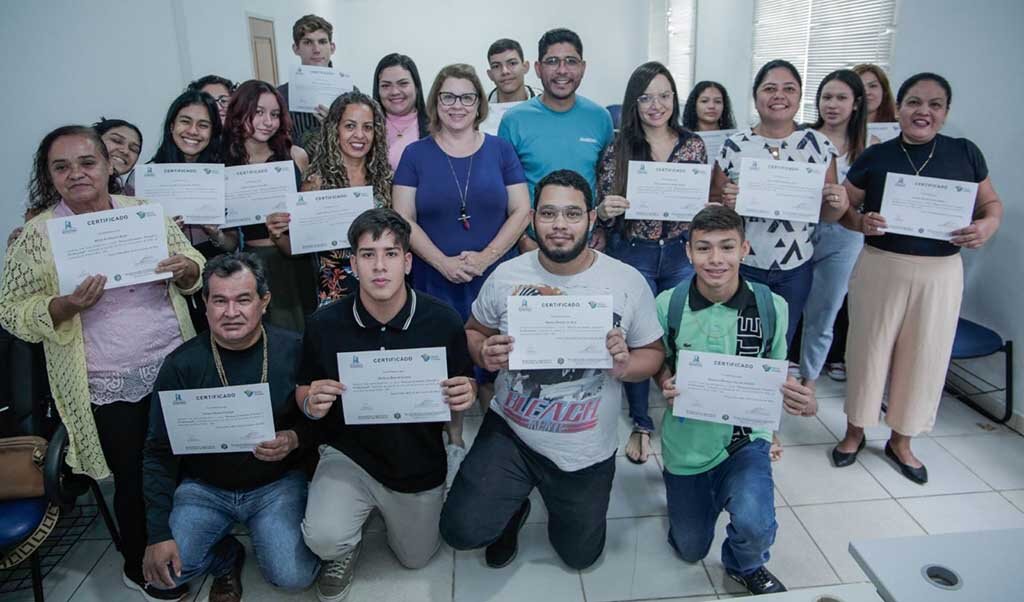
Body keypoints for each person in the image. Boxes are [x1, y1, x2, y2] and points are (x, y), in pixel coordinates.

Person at [0, 125, 204, 599]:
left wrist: (189, 269)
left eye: (87, 162)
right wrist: (64, 306)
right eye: (61, 167)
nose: (76, 174)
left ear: (110, 165)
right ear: (49, 177)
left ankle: (195, 542)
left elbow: (191, 262)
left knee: (191, 461)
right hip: (106, 379)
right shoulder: (35, 236)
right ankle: (143, 564)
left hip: (175, 365)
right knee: (133, 477)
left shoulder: (146, 213)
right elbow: (10, 310)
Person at [440, 169, 665, 570]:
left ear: (592, 219)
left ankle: (551, 499)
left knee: (580, 556)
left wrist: (627, 364)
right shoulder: (508, 275)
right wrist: (484, 354)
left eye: (572, 214)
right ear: (532, 220)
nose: (560, 225)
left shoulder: (626, 281)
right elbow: (473, 332)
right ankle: (511, 511)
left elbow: (653, 353)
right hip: (513, 430)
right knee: (462, 530)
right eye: (548, 213)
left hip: (584, 448)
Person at [296, 209, 476, 602]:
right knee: (323, 538)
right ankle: (345, 543)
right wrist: (311, 402)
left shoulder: (442, 320)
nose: (380, 266)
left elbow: (464, 384)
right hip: (349, 453)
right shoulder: (323, 324)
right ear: (353, 264)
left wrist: (466, 400)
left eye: (391, 254)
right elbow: (303, 387)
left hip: (416, 455)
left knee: (416, 558)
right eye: (367, 254)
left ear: (408, 262)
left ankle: (416, 496)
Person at [832, 73, 1003, 482]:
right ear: (900, 107)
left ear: (945, 113)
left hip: (941, 273)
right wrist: (861, 222)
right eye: (913, 102)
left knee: (924, 355)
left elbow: (991, 204)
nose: (923, 111)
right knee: (867, 350)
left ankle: (902, 440)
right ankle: (855, 431)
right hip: (881, 264)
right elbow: (842, 207)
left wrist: (987, 226)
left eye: (934, 104)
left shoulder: (965, 154)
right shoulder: (877, 155)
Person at [655, 204, 815, 595]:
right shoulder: (668, 305)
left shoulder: (770, 307)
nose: (716, 259)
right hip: (687, 443)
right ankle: (694, 505)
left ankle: (745, 564)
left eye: (727, 247)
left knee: (755, 523)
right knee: (689, 547)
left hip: (744, 439)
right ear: (688, 253)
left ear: (745, 249)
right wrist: (665, 382)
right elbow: (658, 363)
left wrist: (799, 402)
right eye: (704, 248)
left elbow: (775, 372)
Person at [142, 253, 319, 602]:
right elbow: (157, 452)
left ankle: (267, 532)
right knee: (164, 579)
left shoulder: (295, 349)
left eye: (243, 299)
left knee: (293, 576)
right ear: (204, 303)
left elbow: (328, 424)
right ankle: (225, 556)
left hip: (277, 483)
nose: (231, 312)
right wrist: (157, 533)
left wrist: (295, 438)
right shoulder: (181, 365)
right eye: (219, 300)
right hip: (204, 488)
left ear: (264, 302)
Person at [393, 63, 530, 483]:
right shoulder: (416, 154)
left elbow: (521, 210)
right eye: (448, 96)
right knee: (448, 367)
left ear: (479, 103)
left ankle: (501, 446)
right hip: (436, 280)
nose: (457, 105)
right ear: (436, 102)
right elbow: (403, 218)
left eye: (467, 97)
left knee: (497, 364)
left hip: (494, 279)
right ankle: (453, 444)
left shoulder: (500, 150)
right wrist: (443, 262)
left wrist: (487, 257)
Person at [592, 61, 707, 464]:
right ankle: (642, 422)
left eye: (664, 95)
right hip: (633, 252)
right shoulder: (618, 147)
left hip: (679, 252)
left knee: (682, 334)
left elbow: (699, 204)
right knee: (639, 339)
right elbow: (603, 211)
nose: (656, 105)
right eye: (645, 97)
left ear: (674, 99)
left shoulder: (693, 144)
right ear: (633, 102)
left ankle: (688, 411)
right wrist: (603, 209)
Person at [711, 59, 848, 354]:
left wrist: (838, 202)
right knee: (738, 342)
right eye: (769, 88)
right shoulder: (734, 145)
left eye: (789, 89)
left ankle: (768, 399)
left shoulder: (818, 145)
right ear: (756, 95)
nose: (779, 96)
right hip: (744, 263)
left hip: (795, 266)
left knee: (780, 343)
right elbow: (714, 207)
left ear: (800, 97)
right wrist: (727, 202)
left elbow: (827, 215)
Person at [265, 90, 393, 306]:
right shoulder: (315, 183)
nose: (360, 135)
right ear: (335, 129)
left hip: (382, 287)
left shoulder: (386, 180)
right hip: (335, 296)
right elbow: (297, 249)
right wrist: (277, 235)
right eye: (350, 126)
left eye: (368, 127)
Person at [498, 28, 614, 250]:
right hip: (532, 243)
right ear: (539, 68)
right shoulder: (514, 120)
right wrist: (522, 239)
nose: (562, 70)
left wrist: (600, 227)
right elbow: (503, 188)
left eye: (571, 61)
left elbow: (605, 179)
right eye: (552, 61)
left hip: (585, 243)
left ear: (583, 68)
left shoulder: (600, 118)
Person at [222, 79, 315, 333]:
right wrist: (214, 231)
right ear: (241, 111)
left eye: (274, 114)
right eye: (259, 112)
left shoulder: (296, 155)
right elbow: (229, 241)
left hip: (297, 260)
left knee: (307, 334)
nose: (268, 121)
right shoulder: (224, 163)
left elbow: (308, 218)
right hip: (255, 263)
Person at [797, 70, 868, 388]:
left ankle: (809, 379)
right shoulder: (800, 139)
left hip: (844, 238)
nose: (833, 105)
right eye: (827, 97)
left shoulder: (871, 147)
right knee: (787, 306)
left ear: (856, 104)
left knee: (824, 312)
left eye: (841, 98)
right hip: (799, 232)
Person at [278, 14, 336, 148]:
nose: (316, 50)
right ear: (296, 49)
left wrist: (336, 124)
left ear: (332, 47)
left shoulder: (350, 93)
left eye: (322, 42)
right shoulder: (279, 96)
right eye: (308, 42)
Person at [373, 53, 430, 170]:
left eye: (403, 84)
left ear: (416, 87)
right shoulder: (367, 127)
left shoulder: (437, 127)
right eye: (386, 85)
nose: (394, 92)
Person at [94, 117, 143, 194]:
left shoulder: (133, 195)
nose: (125, 151)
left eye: (133, 149)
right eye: (116, 141)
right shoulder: (73, 183)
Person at [485, 38, 539, 103]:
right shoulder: (478, 108)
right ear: (490, 75)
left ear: (525, 67)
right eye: (496, 66)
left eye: (512, 63)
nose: (504, 71)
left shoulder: (546, 103)